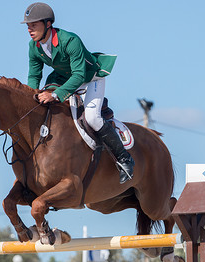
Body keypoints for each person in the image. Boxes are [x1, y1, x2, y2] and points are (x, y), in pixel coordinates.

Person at [21, 2, 134, 184]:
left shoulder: (69, 40)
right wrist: (29, 97)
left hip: (89, 78)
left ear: (48, 24)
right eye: (28, 26)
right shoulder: (33, 46)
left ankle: (125, 159)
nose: (29, 29)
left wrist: (56, 94)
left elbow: (79, 74)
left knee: (92, 118)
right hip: (62, 77)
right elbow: (34, 75)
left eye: (34, 25)